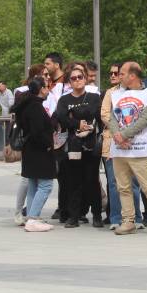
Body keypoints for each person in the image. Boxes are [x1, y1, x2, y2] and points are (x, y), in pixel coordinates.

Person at [107, 61, 147, 235]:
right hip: (119, 149)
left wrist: (123, 135)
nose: (119, 76)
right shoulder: (116, 95)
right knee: (123, 187)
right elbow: (112, 118)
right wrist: (117, 135)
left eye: (122, 73)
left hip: (140, 149)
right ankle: (128, 221)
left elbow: (146, 119)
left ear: (132, 76)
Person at [55, 65, 104, 228]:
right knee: (73, 181)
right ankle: (73, 216)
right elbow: (61, 118)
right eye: (73, 78)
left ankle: (97, 215)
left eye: (80, 77)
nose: (77, 80)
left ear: (85, 79)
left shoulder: (94, 97)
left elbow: (96, 115)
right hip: (72, 146)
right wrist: (77, 123)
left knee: (92, 181)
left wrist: (74, 116)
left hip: (91, 145)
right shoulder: (64, 100)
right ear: (69, 82)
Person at [13, 75, 57, 232]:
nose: (48, 89)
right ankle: (33, 218)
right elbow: (38, 131)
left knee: (33, 184)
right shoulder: (35, 107)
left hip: (30, 150)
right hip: (39, 151)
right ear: (41, 89)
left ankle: (32, 216)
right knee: (46, 185)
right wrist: (48, 145)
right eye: (46, 86)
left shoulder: (27, 104)